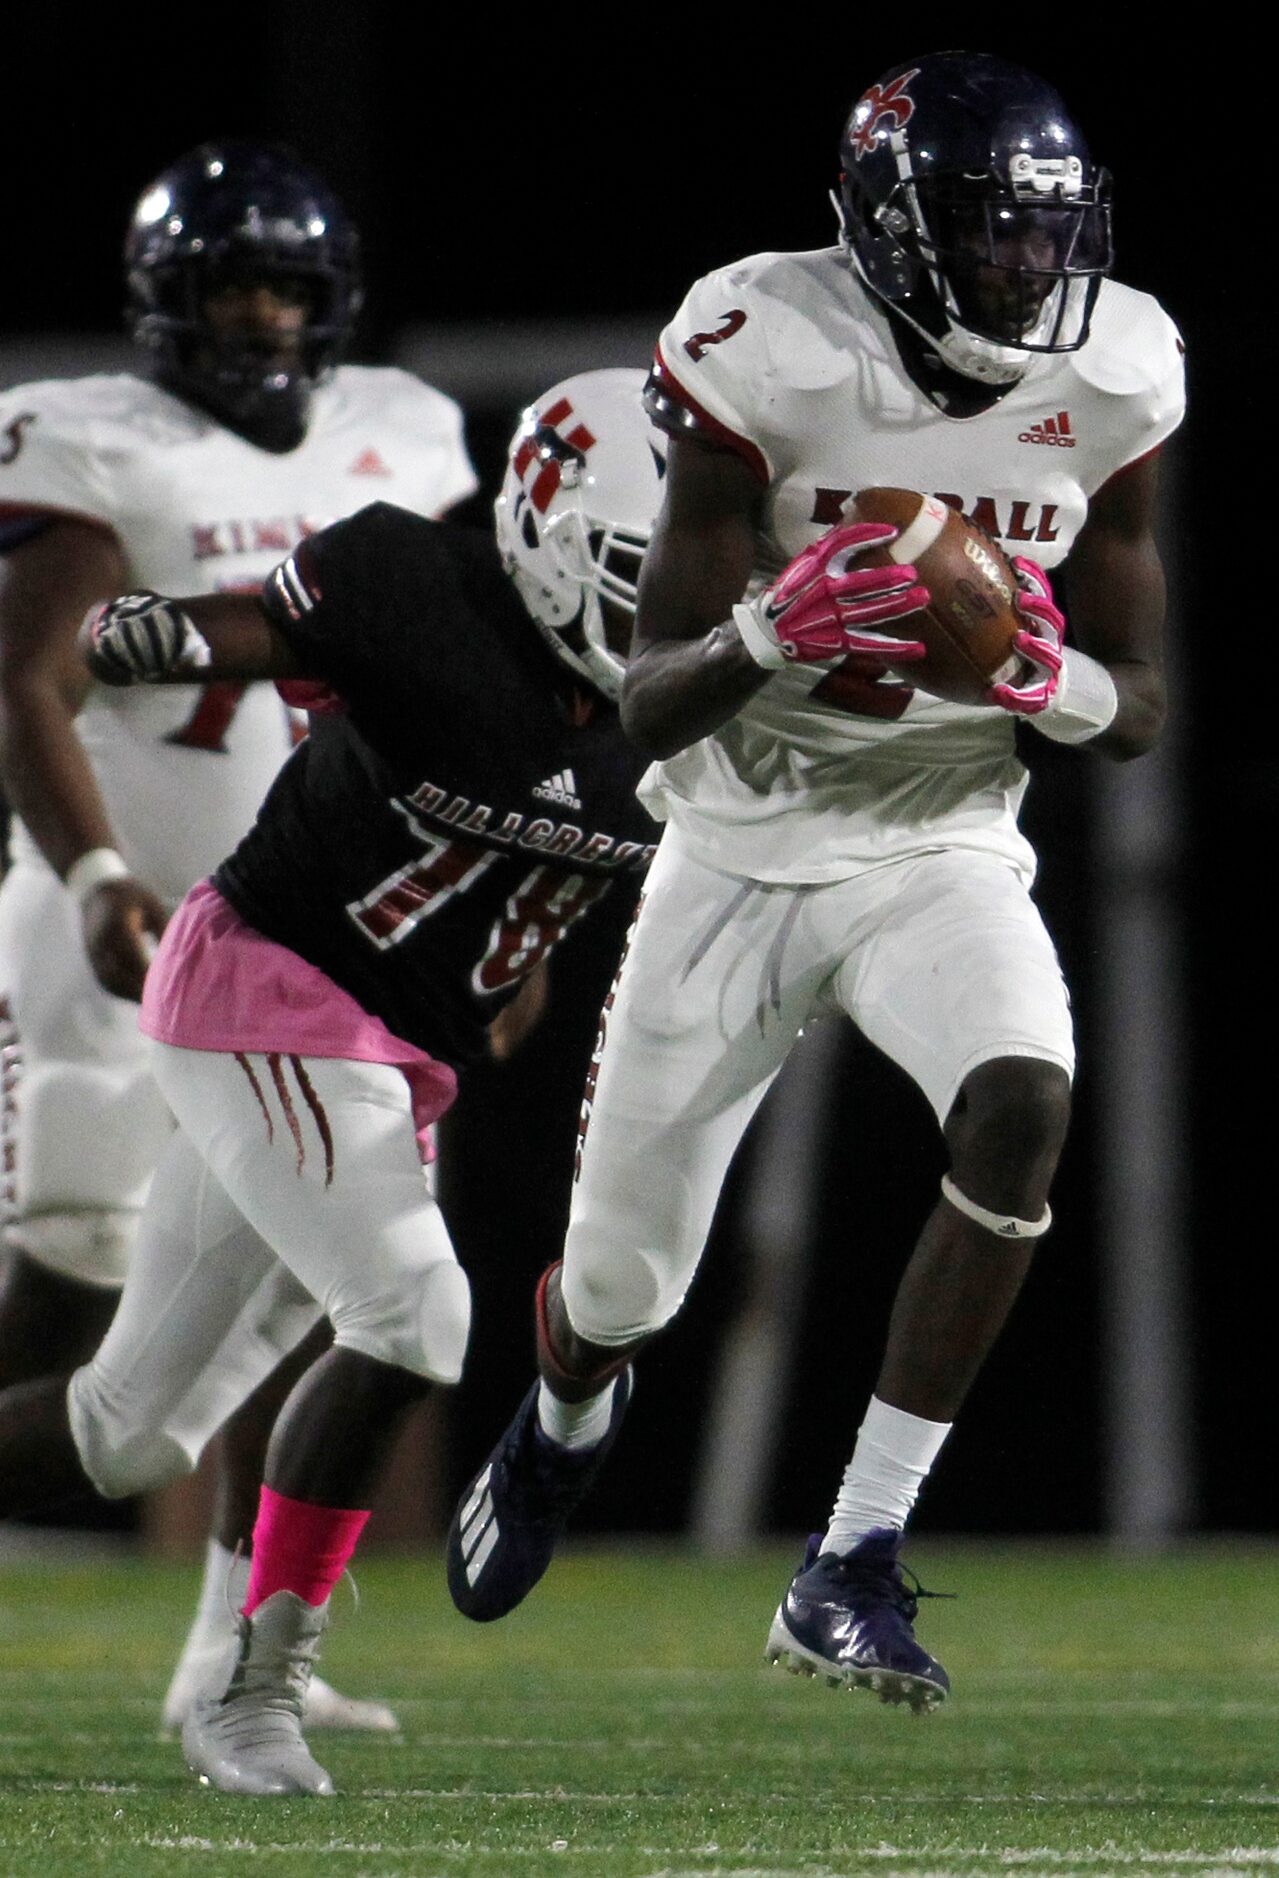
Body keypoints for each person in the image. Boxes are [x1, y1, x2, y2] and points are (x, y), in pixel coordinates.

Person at [444, 51, 1186, 1712]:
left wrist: (1041, 683)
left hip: (940, 844)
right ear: (894, 225)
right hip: (737, 847)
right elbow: (646, 700)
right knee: (626, 1282)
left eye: (1044, 238)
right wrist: (772, 629)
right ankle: (566, 1407)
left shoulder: (1123, 371)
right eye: (991, 236)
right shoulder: (763, 340)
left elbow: (1138, 707)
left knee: (1022, 1099)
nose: (1027, 272)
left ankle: (850, 1553)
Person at [0, 366, 664, 1795]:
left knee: (127, 1429)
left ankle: (220, 1669)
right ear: (544, 532)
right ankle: (254, 1688)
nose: (664, 613)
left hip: (387, 1043)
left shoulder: (708, 706)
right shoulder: (418, 589)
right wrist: (140, 636)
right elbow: (244, 630)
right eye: (634, 572)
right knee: (417, 1308)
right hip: (266, 986)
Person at [0, 138, 477, 1736]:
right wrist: (91, 878)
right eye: (232, 287)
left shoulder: (403, 435)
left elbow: (456, 669)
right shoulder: (98, 446)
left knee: (298, 1279)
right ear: (165, 304)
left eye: (287, 286)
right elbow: (25, 683)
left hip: (305, 949)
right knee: (68, 1297)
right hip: (121, 927)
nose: (265, 317)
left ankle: (236, 1650)